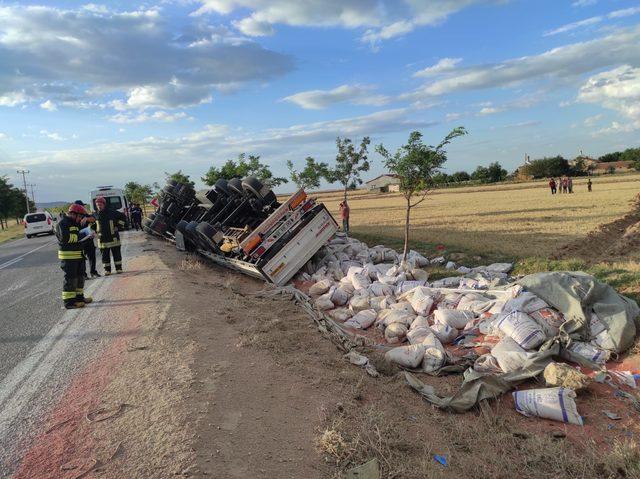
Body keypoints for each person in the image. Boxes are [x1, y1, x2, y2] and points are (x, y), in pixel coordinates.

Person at [56, 203, 93, 309]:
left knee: (80, 278)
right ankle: (69, 302)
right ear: (73, 214)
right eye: (80, 216)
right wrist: (82, 235)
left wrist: (88, 236)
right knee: (71, 279)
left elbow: (79, 235)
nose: (80, 218)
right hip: (68, 257)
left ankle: (79, 298)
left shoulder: (75, 223)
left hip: (78, 255)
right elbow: (66, 238)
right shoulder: (62, 223)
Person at [95, 196, 127, 275]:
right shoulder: (95, 215)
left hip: (113, 238)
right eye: (97, 205)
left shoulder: (112, 212)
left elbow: (123, 217)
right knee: (105, 256)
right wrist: (93, 230)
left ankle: (119, 268)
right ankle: (107, 270)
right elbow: (92, 225)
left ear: (104, 204)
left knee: (116, 254)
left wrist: (119, 226)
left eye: (100, 204)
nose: (99, 206)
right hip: (102, 240)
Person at [74, 200, 100, 278]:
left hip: (89, 239)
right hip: (81, 241)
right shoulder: (73, 217)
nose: (83, 207)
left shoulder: (85, 214)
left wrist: (87, 219)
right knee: (81, 259)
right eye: (82, 206)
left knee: (92, 256)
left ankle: (93, 272)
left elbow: (95, 218)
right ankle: (83, 274)